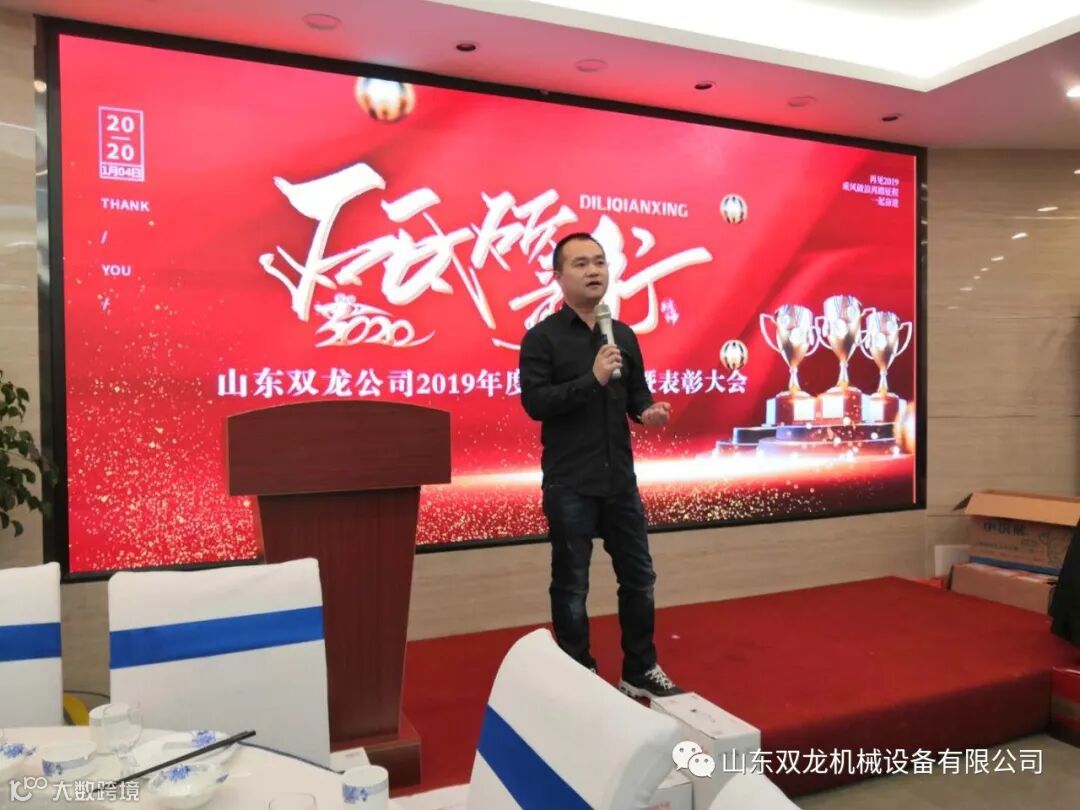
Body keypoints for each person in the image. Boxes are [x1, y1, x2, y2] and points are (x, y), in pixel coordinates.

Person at [518, 231, 684, 699]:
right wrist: (591, 379)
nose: (593, 271)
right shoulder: (542, 338)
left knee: (639, 578)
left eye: (600, 262)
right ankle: (578, 672)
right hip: (570, 482)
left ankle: (639, 668)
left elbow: (636, 395)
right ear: (558, 276)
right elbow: (536, 403)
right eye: (581, 264)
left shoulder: (623, 335)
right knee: (572, 584)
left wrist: (648, 412)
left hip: (620, 481)